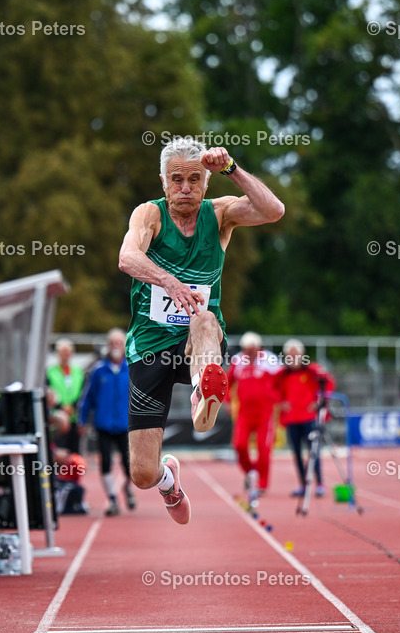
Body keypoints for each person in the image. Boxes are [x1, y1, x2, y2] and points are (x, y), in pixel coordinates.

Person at [119, 136, 284, 524]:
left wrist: (231, 169)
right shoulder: (150, 214)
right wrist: (169, 282)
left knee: (205, 319)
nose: (185, 188)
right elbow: (127, 257)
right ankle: (168, 482)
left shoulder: (220, 214)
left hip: (199, 342)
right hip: (149, 348)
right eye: (176, 179)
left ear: (206, 182)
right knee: (141, 474)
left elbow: (273, 211)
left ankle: (202, 391)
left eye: (194, 179)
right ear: (163, 182)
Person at [78, 329, 133, 516]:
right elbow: (88, 398)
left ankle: (127, 487)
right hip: (103, 425)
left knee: (130, 465)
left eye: (119, 342)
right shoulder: (98, 371)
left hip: (125, 425)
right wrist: (82, 420)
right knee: (106, 463)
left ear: (124, 346)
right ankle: (112, 499)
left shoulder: (131, 369)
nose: (115, 346)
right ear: (108, 346)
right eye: (112, 342)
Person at [275, 339, 334, 498]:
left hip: (309, 418)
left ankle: (319, 483)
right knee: (297, 453)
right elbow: (272, 389)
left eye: (296, 355)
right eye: (290, 356)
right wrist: (281, 402)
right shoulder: (282, 374)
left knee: (314, 451)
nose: (293, 359)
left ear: (302, 355)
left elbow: (329, 383)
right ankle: (303, 484)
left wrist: (320, 401)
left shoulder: (312, 370)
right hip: (292, 419)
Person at [227, 331, 281, 504]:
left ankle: (262, 484)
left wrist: (279, 399)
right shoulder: (238, 360)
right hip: (244, 413)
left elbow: (282, 382)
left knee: (264, 449)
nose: (248, 354)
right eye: (246, 350)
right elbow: (227, 381)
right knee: (239, 445)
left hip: (265, 413)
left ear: (258, 348)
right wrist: (227, 401)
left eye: (252, 350)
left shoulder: (270, 360)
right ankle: (251, 473)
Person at [46, 338, 84, 456]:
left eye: (67, 352)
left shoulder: (78, 371)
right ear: (57, 353)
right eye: (62, 352)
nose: (65, 355)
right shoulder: (50, 372)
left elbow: (82, 392)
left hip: (74, 417)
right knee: (60, 451)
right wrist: (61, 407)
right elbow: (49, 392)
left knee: (75, 452)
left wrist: (73, 406)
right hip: (58, 418)